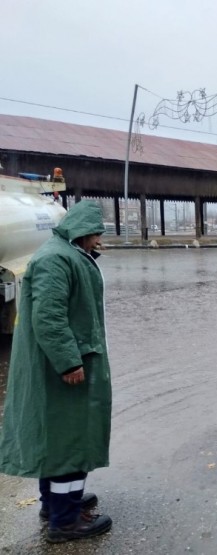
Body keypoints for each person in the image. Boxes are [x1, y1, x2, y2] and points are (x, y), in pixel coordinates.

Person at [0, 200, 113, 543]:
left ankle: (57, 503)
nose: (98, 240)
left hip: (65, 362)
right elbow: (48, 318)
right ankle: (65, 522)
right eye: (96, 234)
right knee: (70, 439)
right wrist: (69, 361)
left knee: (61, 437)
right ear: (83, 230)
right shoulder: (56, 259)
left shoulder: (64, 253)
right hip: (62, 367)